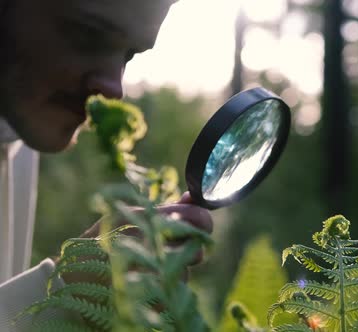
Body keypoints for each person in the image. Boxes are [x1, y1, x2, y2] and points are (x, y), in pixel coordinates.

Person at [0, 0, 213, 330]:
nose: (115, 89)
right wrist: (64, 297)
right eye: (87, 35)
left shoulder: (16, 141)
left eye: (129, 54)